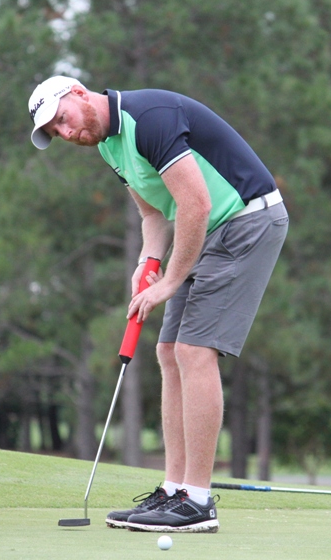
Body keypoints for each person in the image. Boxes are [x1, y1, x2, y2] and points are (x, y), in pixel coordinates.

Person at [28, 76, 288, 533]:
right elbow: (154, 210)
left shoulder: (148, 119)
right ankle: (174, 491)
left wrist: (169, 281)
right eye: (55, 133)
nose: (66, 134)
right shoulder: (110, 146)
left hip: (248, 220)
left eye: (62, 120)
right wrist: (149, 262)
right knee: (168, 352)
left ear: (78, 92)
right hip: (208, 231)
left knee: (194, 350)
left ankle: (199, 501)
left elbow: (196, 203)